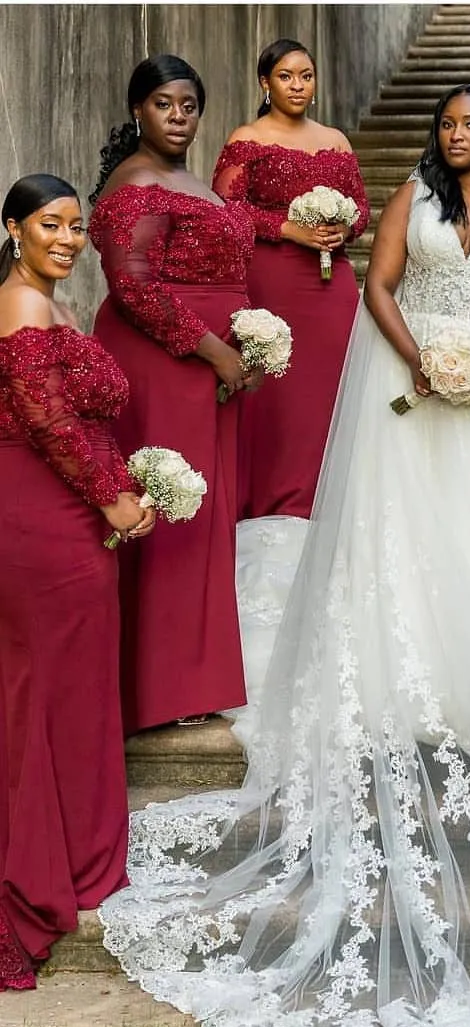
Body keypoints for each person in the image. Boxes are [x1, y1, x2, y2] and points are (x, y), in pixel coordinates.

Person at [98, 83, 470, 1027]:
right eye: (446, 123)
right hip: (414, 386)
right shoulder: (407, 199)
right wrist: (416, 358)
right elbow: (376, 288)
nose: (455, 135)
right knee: (420, 536)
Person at [0, 174, 155, 987]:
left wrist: (126, 485)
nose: (66, 238)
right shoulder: (21, 305)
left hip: (68, 507)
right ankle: (38, 870)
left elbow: (79, 419)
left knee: (75, 686)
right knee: (48, 688)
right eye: (49, 224)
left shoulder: (50, 301)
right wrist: (115, 496)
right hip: (36, 512)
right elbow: (48, 420)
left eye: (74, 226)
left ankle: (81, 852)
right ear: (15, 227)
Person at [89, 55, 258, 733]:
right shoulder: (134, 182)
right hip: (162, 361)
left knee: (203, 515)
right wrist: (213, 347)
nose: (179, 116)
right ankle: (156, 688)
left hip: (203, 364)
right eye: (164, 104)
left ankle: (193, 677)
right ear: (138, 110)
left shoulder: (192, 179)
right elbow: (132, 287)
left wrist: (241, 338)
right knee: (170, 514)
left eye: (189, 105)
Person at [212, 38, 371, 721]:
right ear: (264, 81)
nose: (300, 84)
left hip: (334, 292)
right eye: (287, 76)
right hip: (273, 282)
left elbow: (362, 206)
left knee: (332, 399)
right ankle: (271, 522)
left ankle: (324, 512)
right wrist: (288, 230)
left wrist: (340, 224)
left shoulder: (335, 138)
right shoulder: (246, 139)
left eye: (307, 74)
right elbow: (226, 215)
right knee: (277, 400)